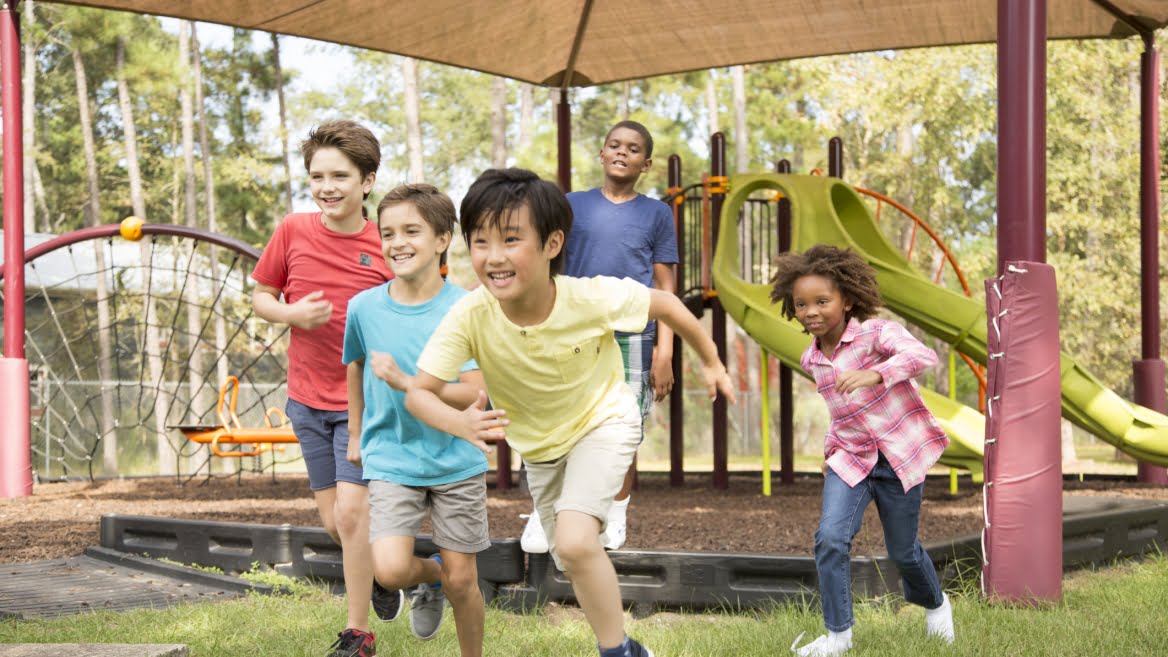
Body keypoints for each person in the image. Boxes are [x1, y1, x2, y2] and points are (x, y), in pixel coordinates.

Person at [406, 168, 735, 657]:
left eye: (512, 239)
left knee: (578, 541)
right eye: (480, 242)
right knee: (570, 554)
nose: (494, 257)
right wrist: (458, 421)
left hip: (605, 420)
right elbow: (420, 393)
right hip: (541, 449)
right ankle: (629, 647)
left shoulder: (588, 297)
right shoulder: (471, 313)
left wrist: (710, 361)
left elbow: (667, 304)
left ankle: (615, 652)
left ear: (553, 242)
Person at [251, 119, 402, 657]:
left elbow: (413, 305)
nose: (326, 186)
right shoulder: (292, 230)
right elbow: (262, 296)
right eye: (317, 176)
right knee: (333, 522)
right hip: (306, 399)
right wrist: (292, 312)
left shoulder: (387, 243)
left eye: (340, 175)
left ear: (368, 181)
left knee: (350, 514)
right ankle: (385, 575)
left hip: (364, 405)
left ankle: (359, 634)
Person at [768, 244, 955, 657]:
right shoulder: (811, 359)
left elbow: (923, 356)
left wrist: (876, 373)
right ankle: (838, 636)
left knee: (903, 551)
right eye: (801, 304)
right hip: (850, 458)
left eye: (822, 301)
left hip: (897, 457)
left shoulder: (875, 333)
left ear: (846, 300)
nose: (811, 311)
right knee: (831, 539)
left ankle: (937, 606)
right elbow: (839, 412)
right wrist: (831, 449)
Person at [343, 183, 490, 657]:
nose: (397, 243)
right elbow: (356, 365)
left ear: (443, 239)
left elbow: (473, 393)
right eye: (388, 233)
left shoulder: (467, 307)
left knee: (464, 580)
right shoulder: (363, 308)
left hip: (456, 457)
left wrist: (410, 382)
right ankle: (430, 577)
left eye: (412, 231)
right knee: (388, 570)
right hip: (391, 453)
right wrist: (354, 432)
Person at [520, 120, 678, 554]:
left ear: (645, 164)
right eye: (614, 145)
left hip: (632, 334)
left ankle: (616, 513)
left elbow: (665, 290)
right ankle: (545, 511)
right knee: (558, 420)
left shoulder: (657, 214)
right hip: (573, 332)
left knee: (622, 428)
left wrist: (664, 351)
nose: (622, 152)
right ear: (602, 154)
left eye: (633, 148)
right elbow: (545, 261)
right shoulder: (572, 205)